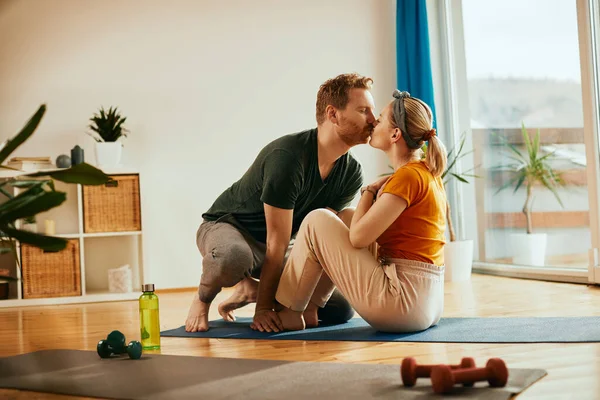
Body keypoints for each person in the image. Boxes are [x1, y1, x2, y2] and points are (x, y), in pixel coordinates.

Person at [185, 73, 377, 333]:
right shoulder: (288, 157)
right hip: (229, 228)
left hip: (279, 246)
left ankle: (247, 290)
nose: (373, 120)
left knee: (340, 309)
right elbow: (277, 241)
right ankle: (203, 298)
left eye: (372, 111)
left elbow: (321, 240)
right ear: (333, 114)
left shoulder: (351, 172)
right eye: (364, 110)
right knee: (233, 257)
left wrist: (306, 304)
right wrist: (263, 310)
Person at [274, 89, 448, 332]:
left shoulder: (407, 177)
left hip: (401, 303)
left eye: (380, 120)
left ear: (395, 134)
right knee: (346, 217)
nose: (373, 123)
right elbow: (361, 228)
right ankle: (312, 307)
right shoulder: (423, 172)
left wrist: (368, 191)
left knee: (317, 219)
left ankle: (291, 312)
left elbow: (358, 238)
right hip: (425, 302)